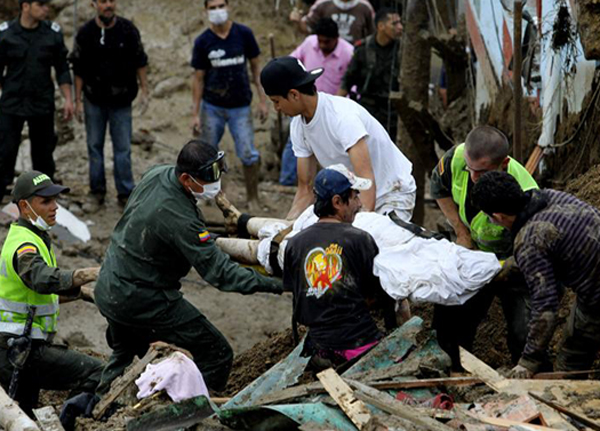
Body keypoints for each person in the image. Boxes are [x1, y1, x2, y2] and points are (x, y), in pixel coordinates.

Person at [93, 139, 284, 396]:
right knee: (217, 353)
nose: (216, 184)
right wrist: (279, 284)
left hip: (110, 285)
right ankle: (198, 412)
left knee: (125, 356)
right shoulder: (179, 217)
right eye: (209, 178)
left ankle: (94, 408)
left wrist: (205, 239)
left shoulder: (157, 174)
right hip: (143, 297)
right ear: (186, 178)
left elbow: (181, 233)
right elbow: (221, 274)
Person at [429, 126, 538, 370]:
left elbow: (534, 252)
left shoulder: (527, 195)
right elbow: (438, 187)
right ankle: (454, 370)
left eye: (483, 171)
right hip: (476, 256)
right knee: (455, 315)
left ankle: (525, 376)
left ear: (504, 163)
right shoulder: (457, 158)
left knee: (524, 331)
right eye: (471, 170)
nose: (474, 177)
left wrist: (503, 267)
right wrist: (461, 232)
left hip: (514, 262)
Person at [472, 171, 600, 378]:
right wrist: (501, 269)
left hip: (595, 295)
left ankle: (572, 398)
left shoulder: (529, 240)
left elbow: (546, 307)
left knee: (571, 357)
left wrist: (528, 362)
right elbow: (551, 244)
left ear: (498, 217)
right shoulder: (549, 196)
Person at [261, 56, 416, 221]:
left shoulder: (342, 117)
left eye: (276, 101)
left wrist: (360, 226)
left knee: (371, 241)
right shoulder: (297, 126)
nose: (276, 108)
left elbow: (366, 181)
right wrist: (287, 227)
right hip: (353, 197)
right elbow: (305, 189)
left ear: (294, 95)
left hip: (391, 191)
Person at [0, 171, 103, 415]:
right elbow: (41, 279)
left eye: (55, 200)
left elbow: (36, 299)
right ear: (25, 206)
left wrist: (83, 293)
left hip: (18, 350)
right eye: (46, 201)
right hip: (20, 351)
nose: (55, 207)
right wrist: (92, 272)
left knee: (25, 413)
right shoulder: (23, 244)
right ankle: (71, 420)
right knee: (97, 373)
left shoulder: (33, 236)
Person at [284, 164, 395, 370]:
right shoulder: (360, 240)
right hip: (358, 344)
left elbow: (298, 293)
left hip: (316, 349)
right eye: (354, 197)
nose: (360, 204)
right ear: (337, 202)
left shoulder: (294, 244)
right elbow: (377, 296)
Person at [70, 0, 148, 208]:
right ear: (93, 4)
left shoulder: (128, 30)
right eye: (103, 1)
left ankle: (125, 193)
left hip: (122, 101)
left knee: (123, 149)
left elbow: (141, 61)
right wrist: (77, 100)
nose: (108, 5)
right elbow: (77, 68)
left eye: (111, 1)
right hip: (93, 100)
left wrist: (145, 91)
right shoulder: (85, 33)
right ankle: (97, 193)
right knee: (94, 147)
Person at [191, 0, 266, 212]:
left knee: (248, 152)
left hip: (241, 105)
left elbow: (256, 69)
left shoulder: (244, 34)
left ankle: (253, 197)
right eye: (212, 7)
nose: (217, 11)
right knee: (206, 154)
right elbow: (198, 79)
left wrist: (262, 100)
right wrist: (195, 113)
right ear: (205, 10)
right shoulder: (203, 41)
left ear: (228, 6)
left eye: (220, 5)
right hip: (212, 106)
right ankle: (208, 195)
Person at [0, 0, 74, 202]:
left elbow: (62, 69)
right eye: (40, 5)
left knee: (43, 152)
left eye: (47, 5)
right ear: (25, 6)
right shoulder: (6, 34)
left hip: (41, 103)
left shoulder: (52, 34)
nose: (46, 9)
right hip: (11, 103)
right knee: (5, 150)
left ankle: (44, 194)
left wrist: (68, 99)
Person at [280, 17, 354, 186]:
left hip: (334, 110)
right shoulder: (309, 43)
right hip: (304, 103)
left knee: (334, 147)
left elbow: (353, 82)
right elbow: (292, 62)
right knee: (296, 143)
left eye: (326, 42)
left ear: (336, 38)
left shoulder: (348, 52)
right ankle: (287, 181)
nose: (321, 44)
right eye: (319, 40)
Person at [339, 7, 402, 142]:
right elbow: (348, 80)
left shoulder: (401, 50)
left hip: (392, 112)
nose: (400, 27)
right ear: (381, 26)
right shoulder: (363, 49)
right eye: (394, 24)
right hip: (368, 110)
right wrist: (335, 108)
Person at [290, 0, 375, 44]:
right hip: (325, 54)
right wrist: (298, 22)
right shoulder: (323, 4)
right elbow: (308, 28)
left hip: (353, 57)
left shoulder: (364, 7)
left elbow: (373, 34)